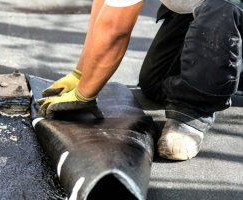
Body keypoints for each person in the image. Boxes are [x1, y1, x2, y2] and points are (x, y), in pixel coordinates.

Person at [39, 0, 243, 161]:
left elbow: (116, 30)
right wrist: (80, 74)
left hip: (224, 9)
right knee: (156, 84)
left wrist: (84, 95)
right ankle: (229, 69)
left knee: (224, 6)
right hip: (198, 10)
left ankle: (191, 115)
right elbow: (106, 12)